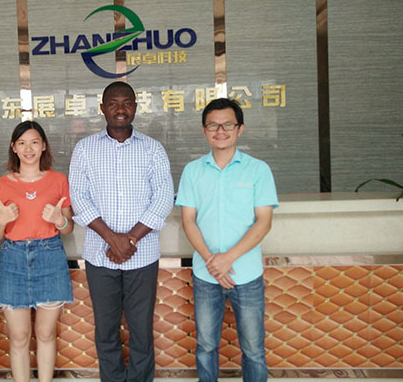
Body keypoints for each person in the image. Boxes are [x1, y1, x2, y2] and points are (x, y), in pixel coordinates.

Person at [69, 81, 174, 382]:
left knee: (141, 329)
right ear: (102, 108)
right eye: (113, 103)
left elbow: (164, 198)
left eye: (126, 103)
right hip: (100, 255)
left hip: (143, 255)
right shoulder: (85, 149)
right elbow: (79, 198)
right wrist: (112, 239)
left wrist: (129, 240)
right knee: (106, 329)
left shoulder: (153, 149)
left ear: (135, 107)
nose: (120, 109)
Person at [175, 98, 278, 382]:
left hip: (247, 275)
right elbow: (188, 221)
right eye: (213, 125)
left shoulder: (258, 170)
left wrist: (226, 259)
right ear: (204, 130)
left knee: (253, 350)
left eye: (228, 125)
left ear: (239, 129)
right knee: (206, 346)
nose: (220, 131)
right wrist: (213, 262)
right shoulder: (193, 171)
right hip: (206, 275)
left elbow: (264, 222)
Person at [0, 120, 74, 382]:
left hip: (50, 255)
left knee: (46, 334)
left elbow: (68, 228)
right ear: (13, 147)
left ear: (43, 145)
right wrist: (2, 221)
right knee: (19, 336)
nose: (28, 149)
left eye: (34, 142)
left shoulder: (58, 180)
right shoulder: (1, 184)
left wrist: (58, 220)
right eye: (22, 143)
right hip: (13, 257)